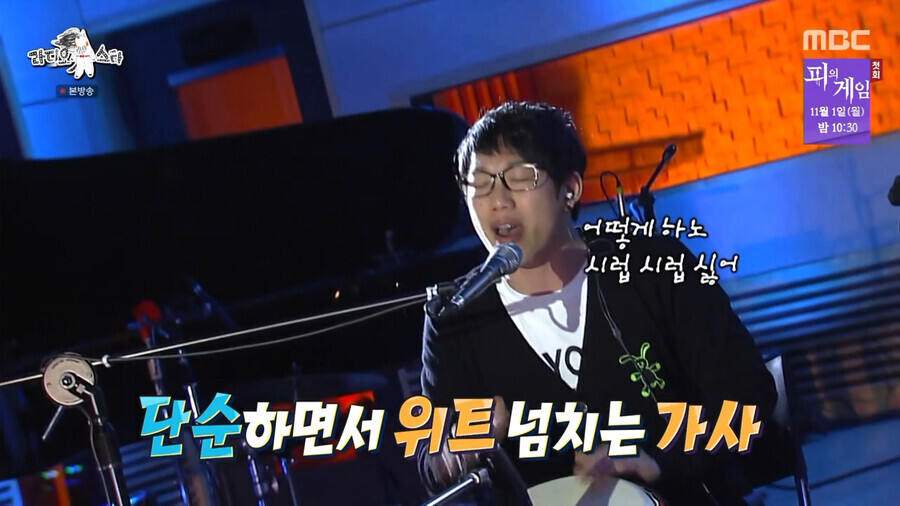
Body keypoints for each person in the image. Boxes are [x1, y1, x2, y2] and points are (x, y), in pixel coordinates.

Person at [417, 101, 792, 505]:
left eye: (520, 178)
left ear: (570, 189)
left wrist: (659, 461)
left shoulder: (653, 267)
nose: (498, 200)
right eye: (480, 184)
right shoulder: (455, 315)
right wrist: (455, 450)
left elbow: (748, 396)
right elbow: (432, 464)